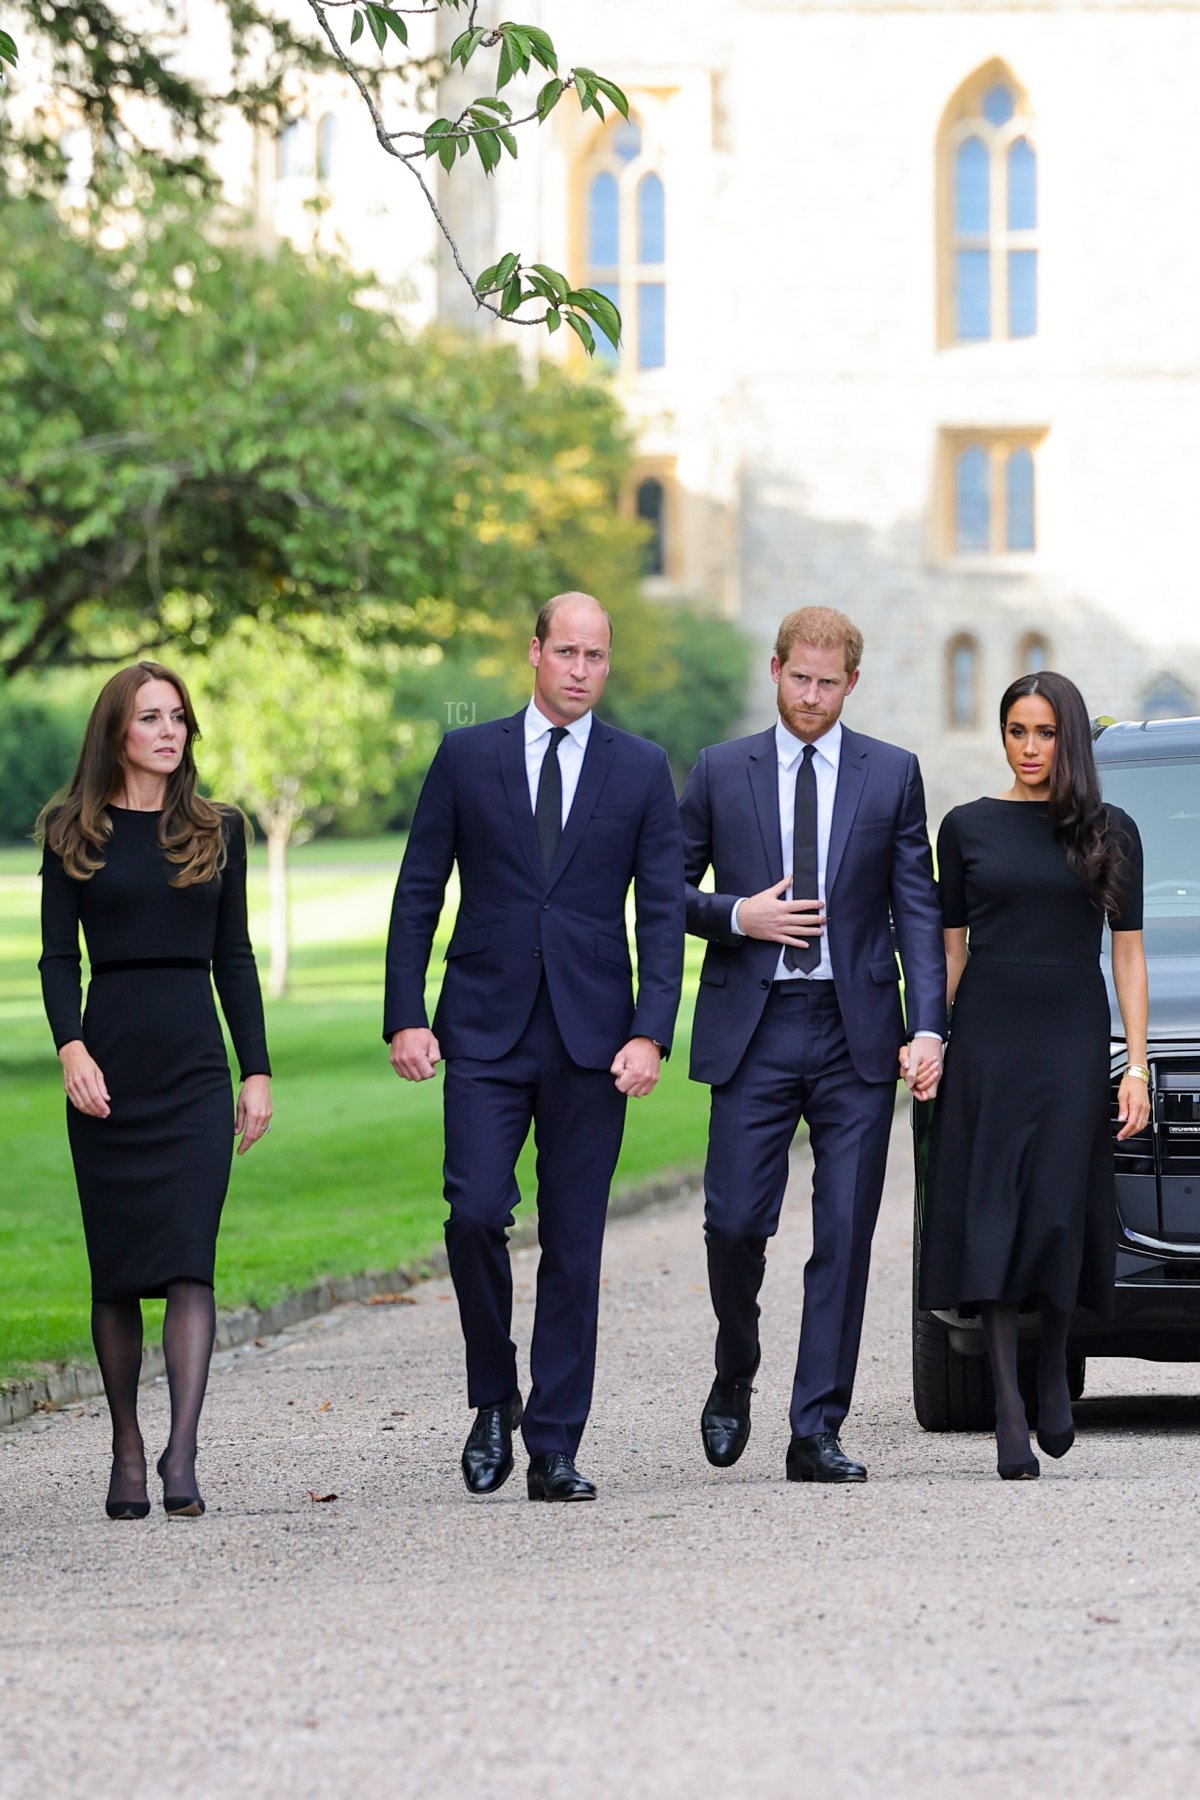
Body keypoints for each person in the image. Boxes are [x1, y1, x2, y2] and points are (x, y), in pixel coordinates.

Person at [385, 593, 684, 1502]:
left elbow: (664, 913)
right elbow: (418, 890)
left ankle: (555, 1441)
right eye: (567, 652)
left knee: (575, 1241)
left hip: (595, 1038)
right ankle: (492, 1398)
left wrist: (651, 1031)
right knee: (475, 1210)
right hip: (482, 1024)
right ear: (534, 654)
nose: (582, 670)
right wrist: (406, 1012)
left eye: (597, 655)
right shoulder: (467, 756)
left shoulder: (639, 769)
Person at [680, 606, 946, 1483]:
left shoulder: (892, 773)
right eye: (800, 678)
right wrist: (738, 915)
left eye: (829, 683)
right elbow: (663, 889)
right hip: (752, 1030)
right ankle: (735, 1369)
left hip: (855, 1031)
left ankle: (815, 1428)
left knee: (844, 1232)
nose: (813, 696)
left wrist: (928, 1025)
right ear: (776, 669)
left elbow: (918, 907)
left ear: (851, 684)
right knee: (734, 1224)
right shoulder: (722, 771)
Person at [38, 662, 273, 1520]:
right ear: (117, 733)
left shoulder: (220, 829)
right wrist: (70, 1048)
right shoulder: (72, 831)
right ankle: (127, 1447)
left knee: (186, 1261)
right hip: (110, 1061)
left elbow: (235, 958)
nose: (169, 731)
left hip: (192, 1068)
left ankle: (183, 1449)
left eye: (179, 717)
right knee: (117, 1271)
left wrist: (256, 1069)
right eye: (150, 718)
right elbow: (58, 956)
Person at [915, 671, 1149, 1480]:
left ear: (1070, 738)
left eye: (1045, 733)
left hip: (1070, 1038)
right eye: (1017, 731)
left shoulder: (1111, 830)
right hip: (988, 1039)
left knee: (1055, 1209)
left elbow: (1128, 952)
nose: (1030, 747)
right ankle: (1009, 1404)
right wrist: (930, 1040)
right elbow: (948, 950)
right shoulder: (967, 826)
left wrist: (1138, 1067)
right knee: (992, 1212)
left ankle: (1055, 1368)